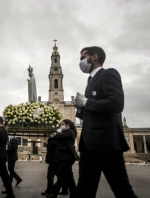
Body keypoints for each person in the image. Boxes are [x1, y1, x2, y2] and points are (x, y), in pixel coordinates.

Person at [74, 46, 138, 198]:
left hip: (106, 143)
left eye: (83, 57)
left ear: (94, 57)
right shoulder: (90, 81)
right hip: (89, 144)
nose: (81, 62)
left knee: (122, 190)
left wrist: (87, 102)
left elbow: (116, 104)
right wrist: (81, 109)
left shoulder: (108, 73)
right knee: (84, 189)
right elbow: (95, 111)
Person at [45, 119, 79, 198]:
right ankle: (74, 194)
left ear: (67, 125)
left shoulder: (69, 132)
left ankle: (53, 192)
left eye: (63, 124)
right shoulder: (67, 132)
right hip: (65, 157)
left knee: (62, 176)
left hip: (67, 158)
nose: (62, 126)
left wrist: (58, 131)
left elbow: (60, 136)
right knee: (69, 177)